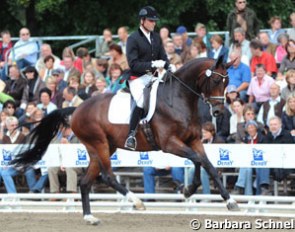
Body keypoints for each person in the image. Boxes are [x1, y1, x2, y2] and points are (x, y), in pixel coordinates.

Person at [124, 6, 169, 150]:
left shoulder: (156, 37)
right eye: (151, 21)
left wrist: (169, 66)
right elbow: (133, 63)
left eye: (155, 21)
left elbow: (163, 57)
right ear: (142, 21)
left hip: (154, 77)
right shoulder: (133, 38)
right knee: (141, 101)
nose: (154, 23)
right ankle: (131, 136)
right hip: (137, 77)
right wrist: (152, 64)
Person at [187, 122, 224, 196]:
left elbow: (222, 156)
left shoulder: (219, 141)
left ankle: (206, 196)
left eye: (206, 132)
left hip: (215, 166)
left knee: (203, 171)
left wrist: (220, 169)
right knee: (190, 171)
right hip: (204, 164)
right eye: (203, 132)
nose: (204, 134)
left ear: (212, 132)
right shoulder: (203, 141)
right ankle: (191, 195)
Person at [48, 125, 83, 194]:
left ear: (67, 128)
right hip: (62, 164)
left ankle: (72, 193)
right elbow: (55, 153)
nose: (60, 131)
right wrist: (61, 164)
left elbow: (81, 153)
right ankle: (55, 193)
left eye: (61, 129)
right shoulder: (59, 138)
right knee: (51, 169)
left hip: (78, 164)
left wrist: (69, 145)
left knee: (69, 168)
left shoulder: (79, 136)